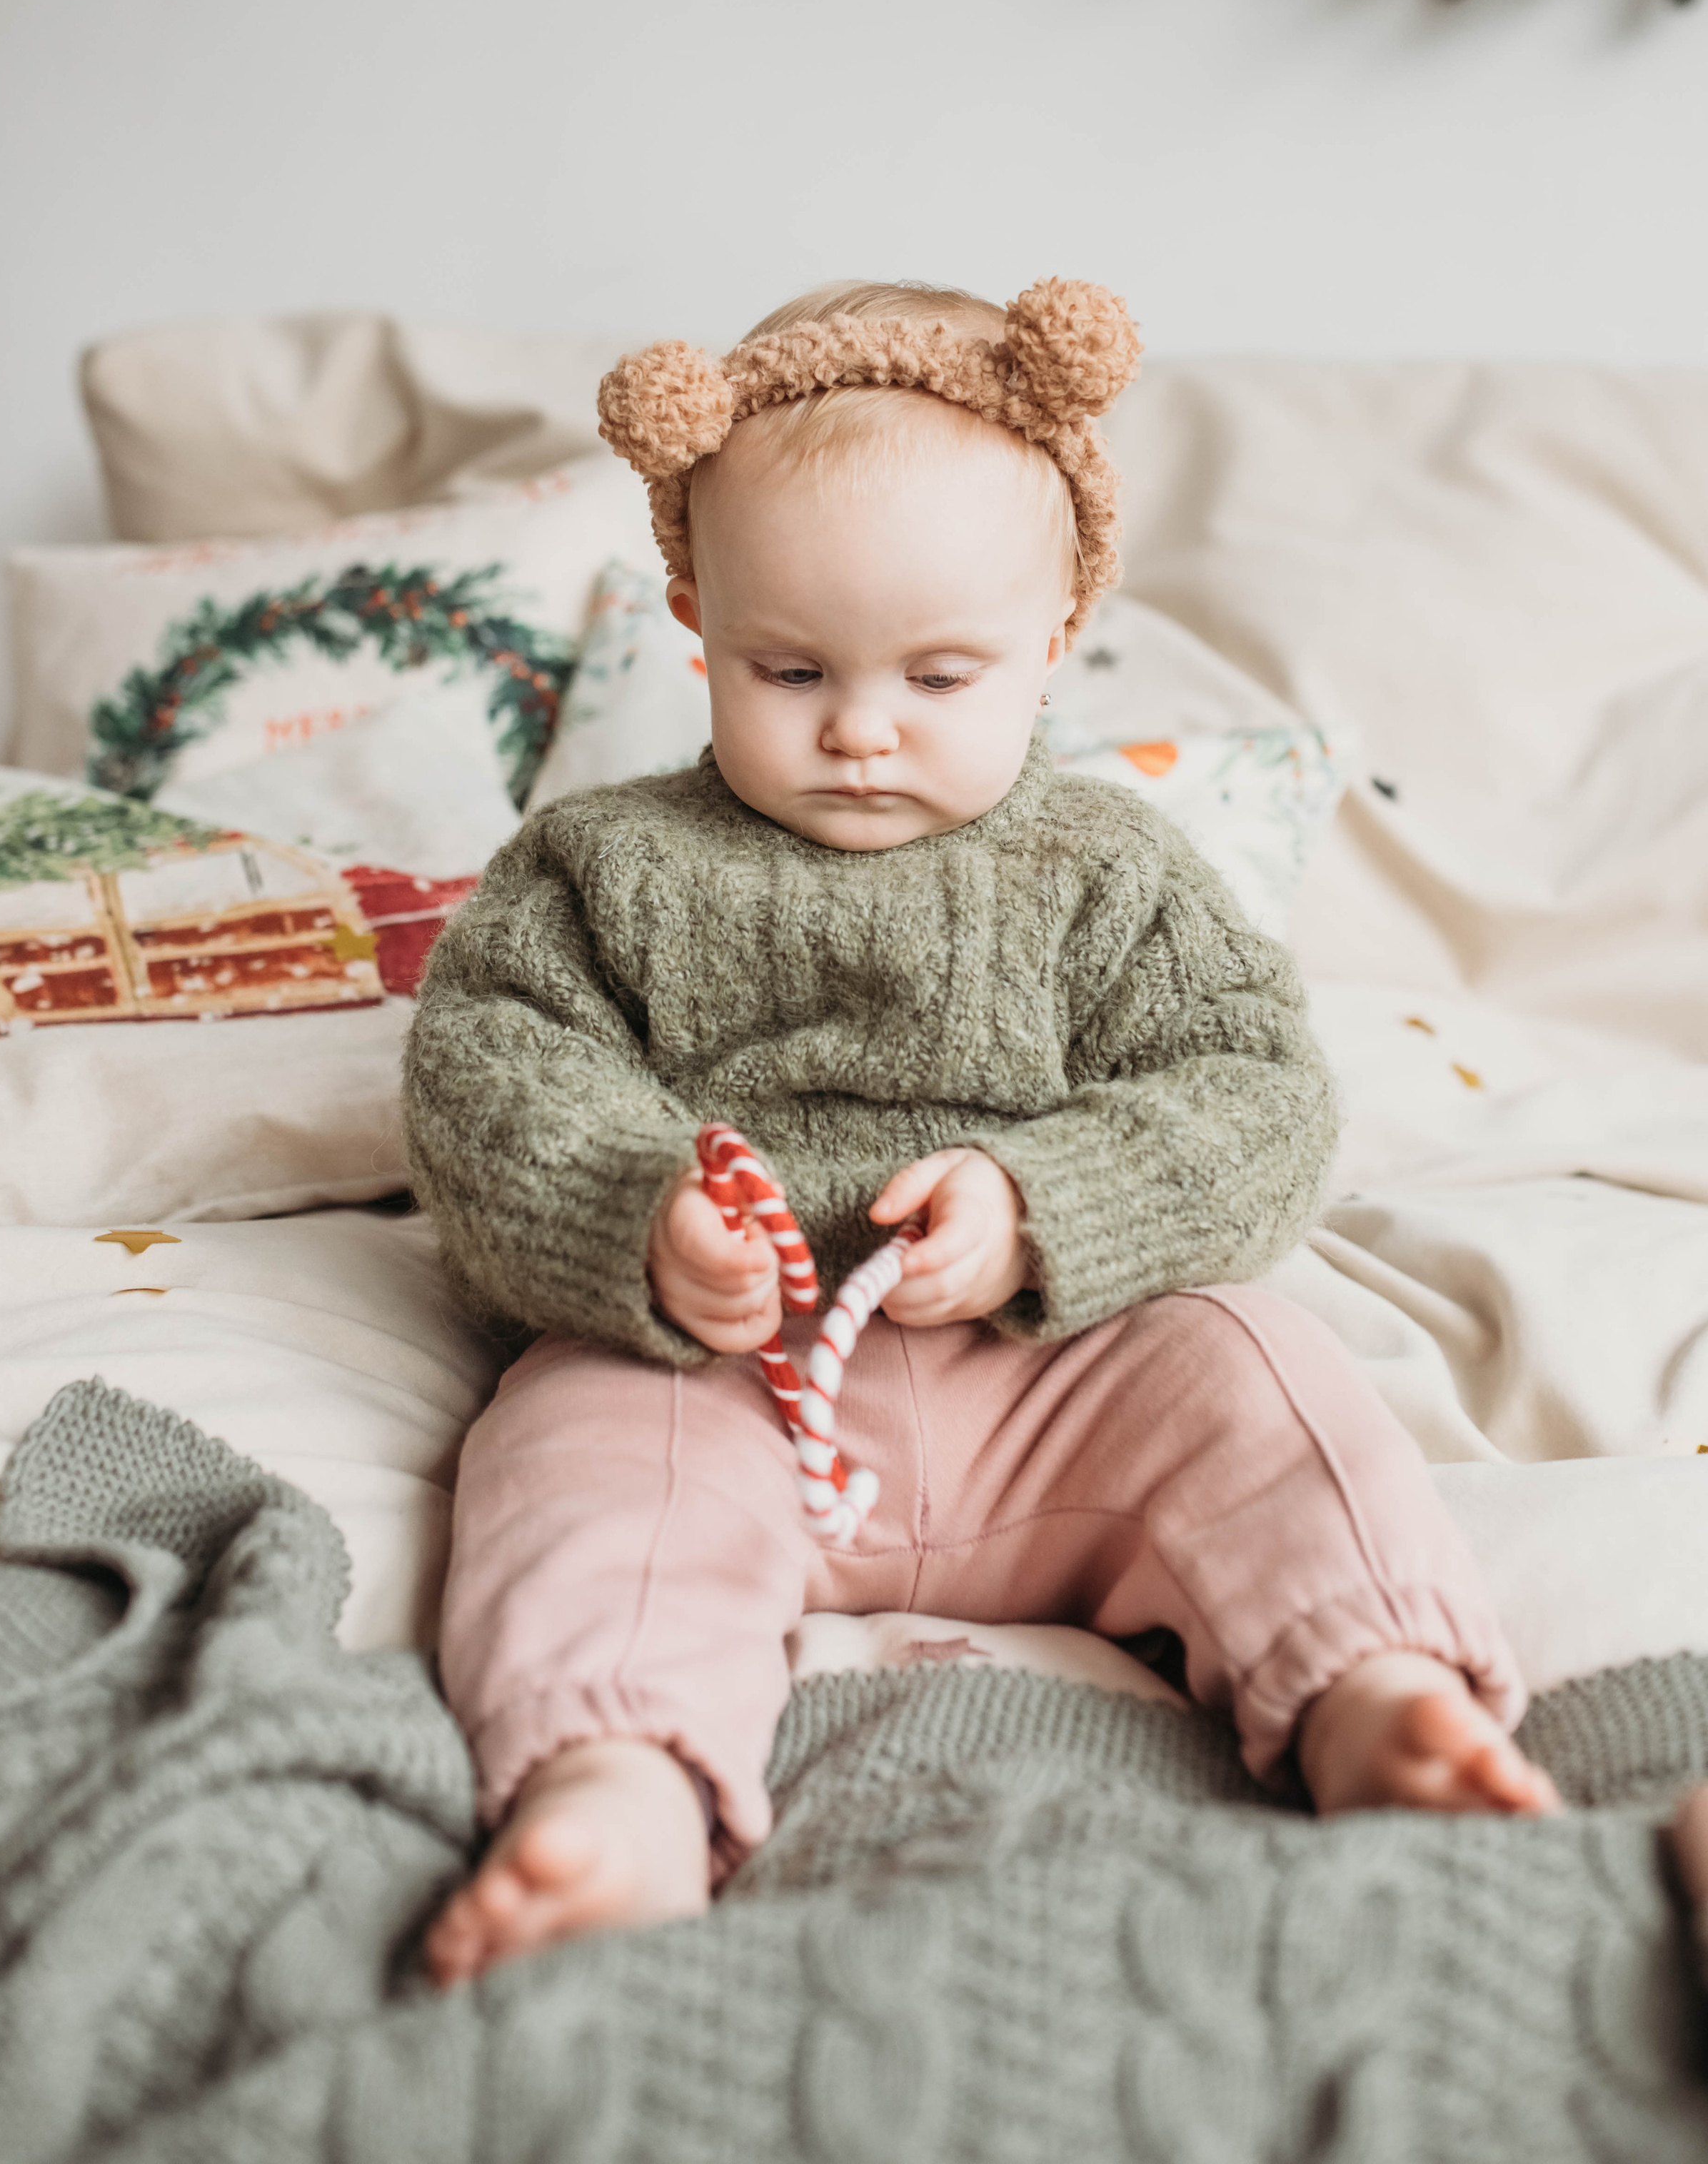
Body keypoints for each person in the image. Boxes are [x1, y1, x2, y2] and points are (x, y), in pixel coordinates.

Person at [404, 277, 1556, 1984]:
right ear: (694, 615)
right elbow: (492, 1076)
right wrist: (637, 1218)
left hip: (1053, 1379)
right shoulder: (599, 867)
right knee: (574, 1458)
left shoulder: (1106, 870)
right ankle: (618, 1781)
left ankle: (1369, 1683)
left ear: (1056, 630)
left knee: (1248, 1373)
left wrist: (1043, 1201)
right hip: (719, 1377)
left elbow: (1252, 1092)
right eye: (788, 668)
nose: (860, 727)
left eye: (939, 674)